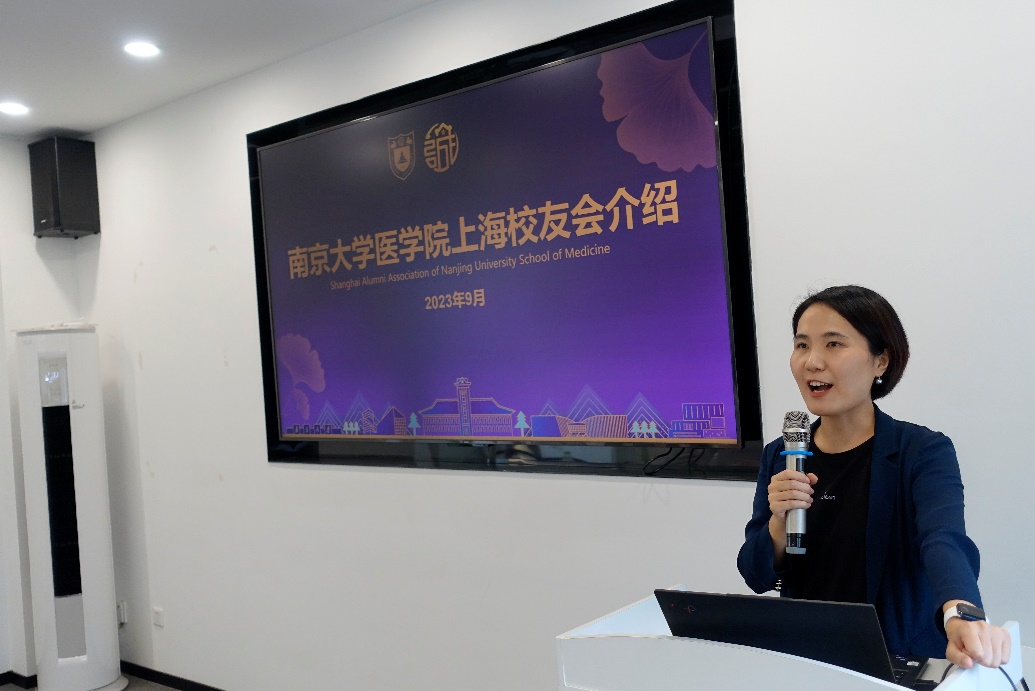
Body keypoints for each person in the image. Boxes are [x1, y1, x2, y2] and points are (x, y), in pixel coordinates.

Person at [737, 285, 1011, 670]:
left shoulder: (921, 451)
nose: (812, 362)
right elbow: (755, 574)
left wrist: (962, 614)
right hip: (807, 662)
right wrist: (778, 524)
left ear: (880, 361)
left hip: (894, 661)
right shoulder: (782, 454)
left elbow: (943, 539)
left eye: (833, 344)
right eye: (802, 345)